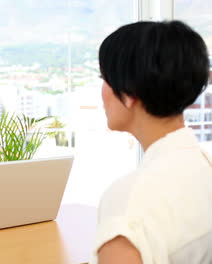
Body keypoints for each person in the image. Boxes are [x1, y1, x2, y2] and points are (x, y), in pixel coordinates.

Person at [91, 21, 212, 264]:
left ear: (129, 92)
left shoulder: (128, 203)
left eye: (104, 78)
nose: (102, 90)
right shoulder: (204, 167)